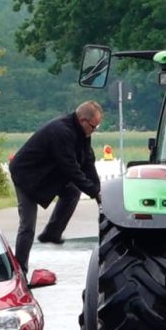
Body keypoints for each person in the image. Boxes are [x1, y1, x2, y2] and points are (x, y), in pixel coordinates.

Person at [9, 100, 103, 277]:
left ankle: (52, 233)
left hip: (46, 174)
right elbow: (71, 168)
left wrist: (98, 191)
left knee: (72, 192)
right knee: (28, 225)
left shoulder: (83, 134)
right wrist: (93, 191)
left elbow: (87, 162)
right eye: (93, 126)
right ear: (83, 120)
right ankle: (20, 271)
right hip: (26, 175)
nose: (94, 130)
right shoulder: (61, 131)